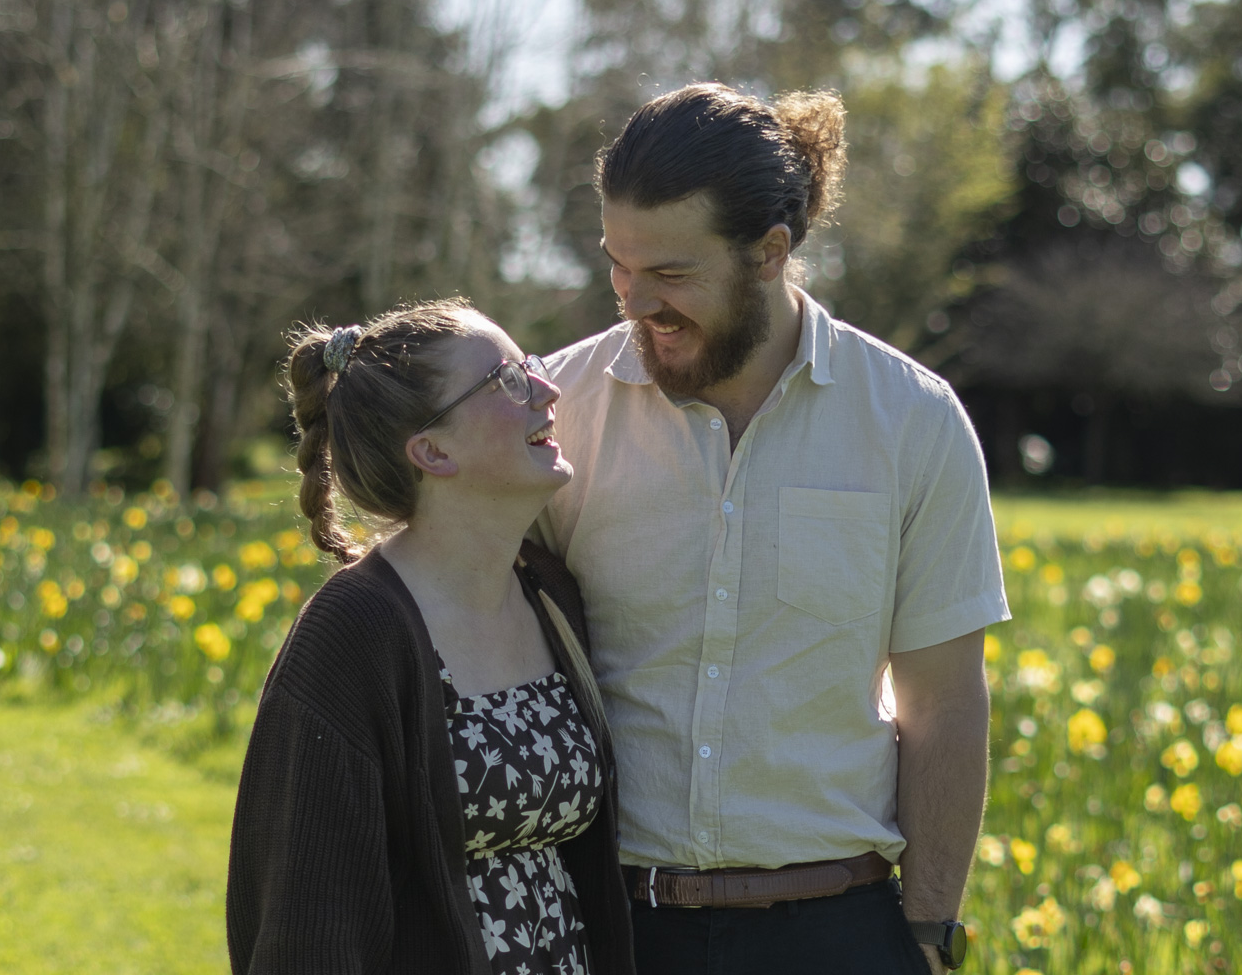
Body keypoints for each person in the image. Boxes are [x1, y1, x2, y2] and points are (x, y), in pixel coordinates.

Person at [531, 84, 1010, 975]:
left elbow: (944, 703)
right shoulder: (555, 412)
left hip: (839, 930)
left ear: (769, 252)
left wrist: (931, 934)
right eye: (618, 265)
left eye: (672, 274)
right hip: (608, 927)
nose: (636, 302)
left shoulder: (912, 420)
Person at [226, 301, 635, 975]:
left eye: (528, 366)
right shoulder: (354, 633)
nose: (548, 389)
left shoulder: (551, 592)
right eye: (505, 380)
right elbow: (306, 928)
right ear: (432, 450)